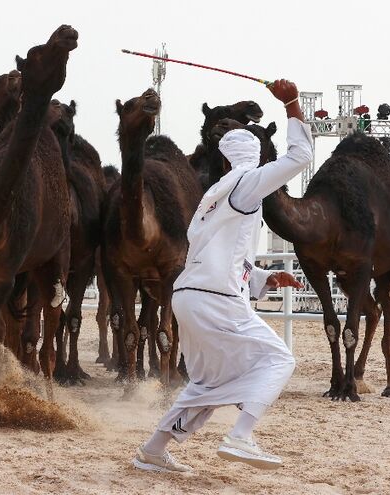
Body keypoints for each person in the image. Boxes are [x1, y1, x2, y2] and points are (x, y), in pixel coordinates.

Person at [133, 79, 313, 472]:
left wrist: (262, 278)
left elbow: (220, 254)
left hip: (189, 297)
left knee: (208, 383)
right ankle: (241, 435)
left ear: (226, 159)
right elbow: (301, 156)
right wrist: (292, 104)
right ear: (255, 158)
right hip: (216, 299)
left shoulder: (211, 198)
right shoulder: (248, 182)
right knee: (278, 360)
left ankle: (153, 451)